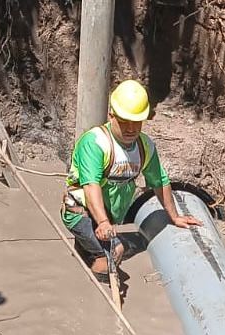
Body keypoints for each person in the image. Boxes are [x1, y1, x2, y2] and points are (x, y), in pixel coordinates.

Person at [61, 79, 201, 280]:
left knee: (106, 245)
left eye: (136, 122)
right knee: (115, 252)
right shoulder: (95, 143)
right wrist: (103, 222)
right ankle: (94, 276)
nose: (130, 128)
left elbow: (160, 182)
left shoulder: (145, 147)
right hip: (80, 211)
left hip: (109, 214)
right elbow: (92, 187)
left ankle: (88, 248)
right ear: (111, 115)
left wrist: (175, 216)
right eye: (124, 121)